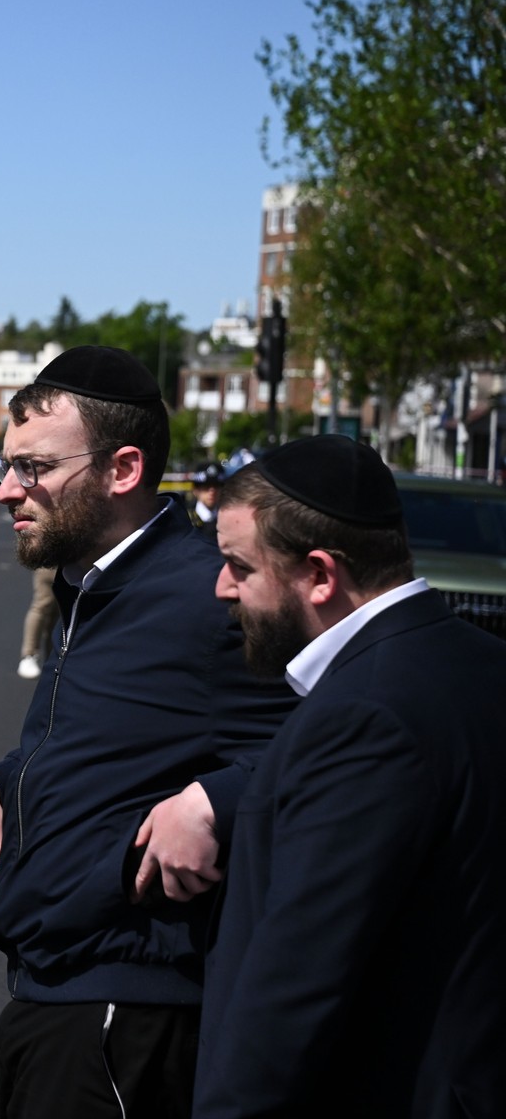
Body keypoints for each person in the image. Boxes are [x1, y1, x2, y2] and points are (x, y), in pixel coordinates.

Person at [0, 346, 293, 1118]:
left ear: (123, 469)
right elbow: (97, 736)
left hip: (124, 1011)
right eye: (7, 466)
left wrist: (216, 801)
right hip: (54, 991)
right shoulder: (91, 579)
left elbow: (339, 745)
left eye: (33, 468)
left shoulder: (210, 597)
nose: (6, 490)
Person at [195, 436, 506, 1117]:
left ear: (319, 574)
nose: (221, 587)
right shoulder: (482, 663)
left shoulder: (363, 716)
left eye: (238, 567)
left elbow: (298, 982)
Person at [15, 566, 57, 680]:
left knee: (58, 614)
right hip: (54, 562)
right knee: (42, 606)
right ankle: (29, 654)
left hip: (73, 562)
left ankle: (53, 662)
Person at [189, 463, 223, 534]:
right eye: (206, 486)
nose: (212, 491)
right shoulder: (185, 518)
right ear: (195, 490)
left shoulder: (229, 518)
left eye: (217, 485)